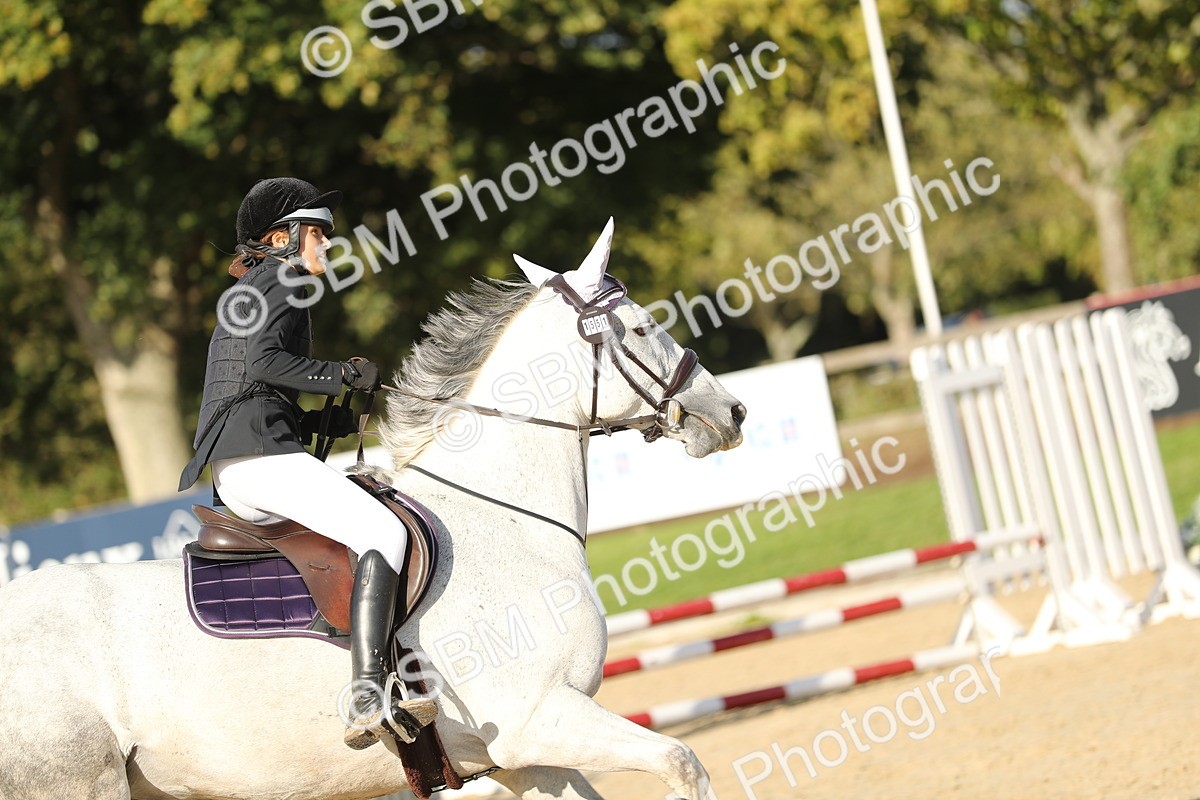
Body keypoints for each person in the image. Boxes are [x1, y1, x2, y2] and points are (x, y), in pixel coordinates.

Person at [179, 177, 433, 750]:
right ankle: (370, 690)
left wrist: (322, 422)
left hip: (244, 460)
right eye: (315, 232)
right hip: (257, 461)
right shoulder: (282, 277)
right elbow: (267, 361)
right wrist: (338, 373)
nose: (324, 244)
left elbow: (251, 383)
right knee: (383, 530)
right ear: (281, 237)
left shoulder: (259, 285)